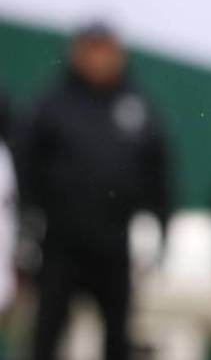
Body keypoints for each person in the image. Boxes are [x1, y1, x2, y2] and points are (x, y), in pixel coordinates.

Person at [17, 22, 171, 360]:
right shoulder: (52, 103)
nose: (100, 59)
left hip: (114, 243)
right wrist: (27, 225)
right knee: (47, 332)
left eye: (107, 50)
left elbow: (157, 171)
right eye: (93, 49)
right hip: (61, 243)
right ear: (77, 52)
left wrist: (157, 224)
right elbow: (27, 168)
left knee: (118, 335)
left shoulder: (137, 105)